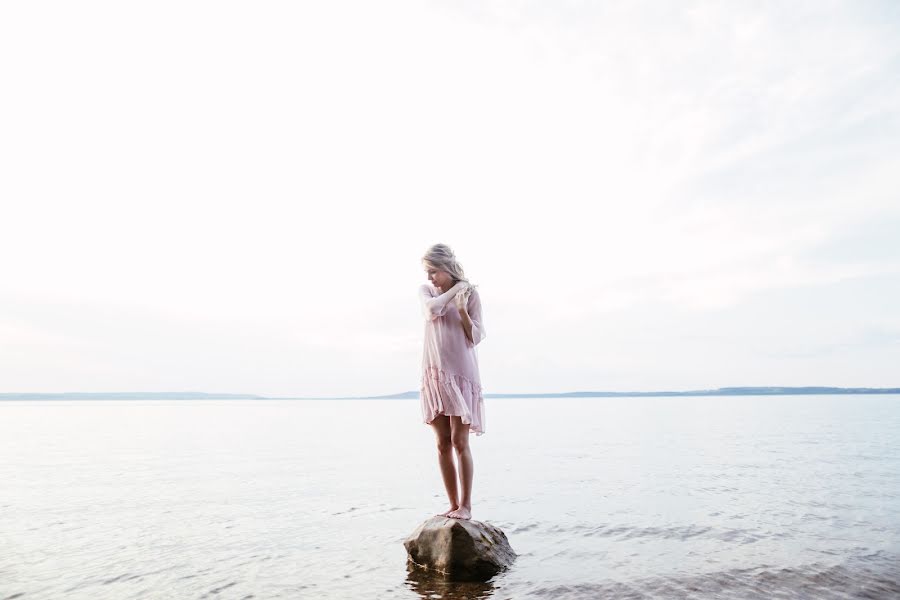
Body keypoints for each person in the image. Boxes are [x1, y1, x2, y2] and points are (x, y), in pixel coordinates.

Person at [418, 243, 486, 521]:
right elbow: (431, 310)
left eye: (433, 271)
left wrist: (463, 309)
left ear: (446, 268)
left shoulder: (470, 295)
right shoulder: (427, 292)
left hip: (461, 374)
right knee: (442, 444)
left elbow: (477, 336)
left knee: (460, 442)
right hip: (434, 374)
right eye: (427, 272)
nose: (430, 277)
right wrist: (455, 290)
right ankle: (453, 504)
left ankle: (466, 506)